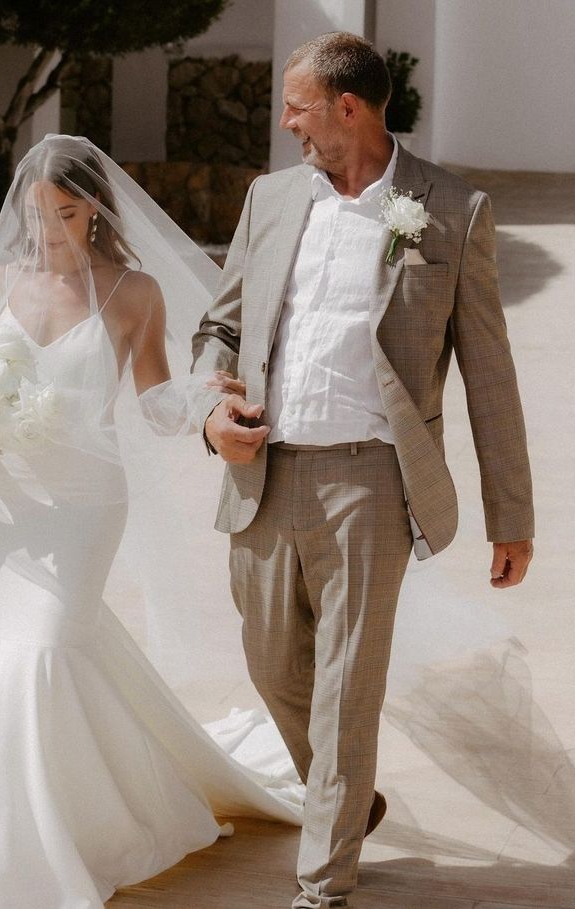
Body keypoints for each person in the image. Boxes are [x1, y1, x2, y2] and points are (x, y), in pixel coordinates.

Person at [191, 32, 534, 909]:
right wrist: (210, 409)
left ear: (349, 108)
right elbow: (219, 328)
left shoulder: (450, 208)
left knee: (349, 688)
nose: (286, 121)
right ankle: (352, 801)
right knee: (274, 667)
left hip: (372, 483)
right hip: (264, 473)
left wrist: (511, 512)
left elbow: (488, 369)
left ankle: (324, 882)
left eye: (298, 105)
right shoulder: (270, 200)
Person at [0, 134, 304, 909]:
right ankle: (82, 811)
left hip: (81, 507)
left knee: (42, 649)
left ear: (94, 209)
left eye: (64, 214)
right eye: (36, 218)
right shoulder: (1, 279)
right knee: (40, 653)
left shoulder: (132, 292)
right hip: (9, 511)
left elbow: (153, 400)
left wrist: (208, 400)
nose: (48, 234)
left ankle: (27, 854)